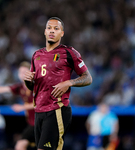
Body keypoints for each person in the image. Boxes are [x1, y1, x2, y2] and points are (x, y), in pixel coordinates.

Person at [23, 17, 93, 150]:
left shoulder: (69, 53)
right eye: (49, 28)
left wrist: (69, 83)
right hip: (38, 110)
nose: (52, 31)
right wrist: (28, 82)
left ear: (62, 33)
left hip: (57, 109)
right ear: (44, 31)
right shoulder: (36, 55)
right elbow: (32, 87)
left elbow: (88, 78)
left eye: (56, 29)